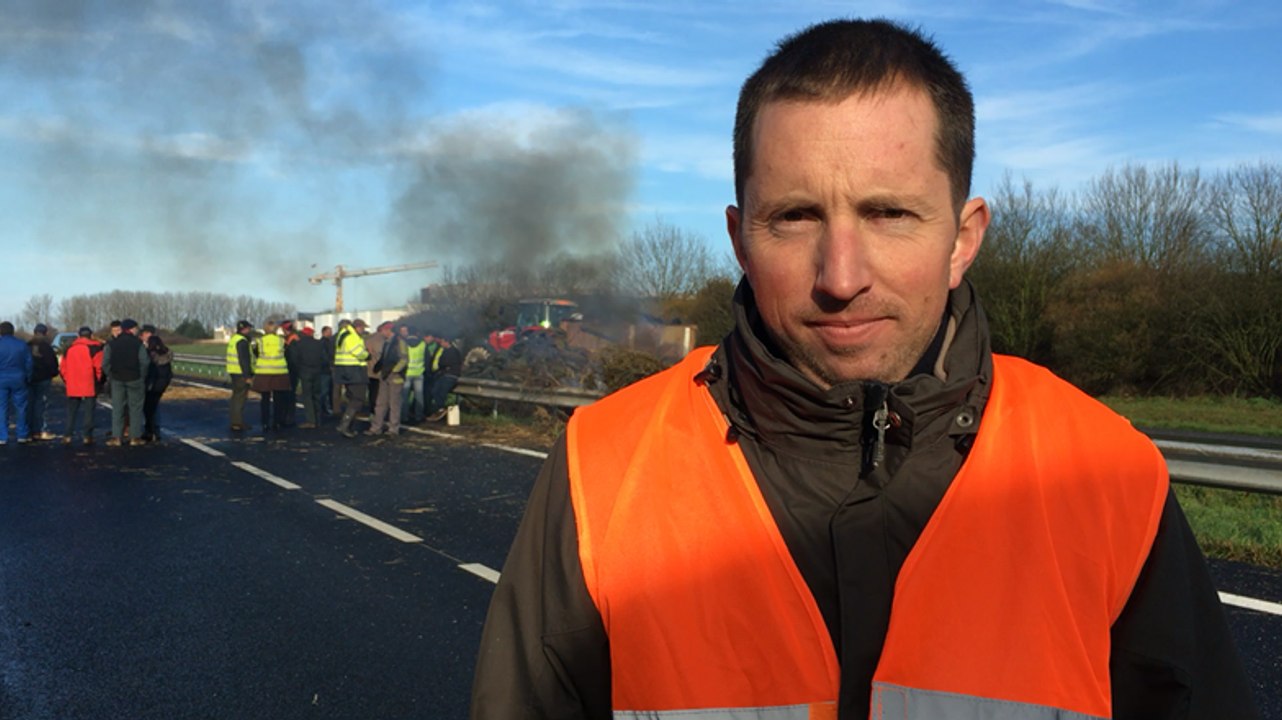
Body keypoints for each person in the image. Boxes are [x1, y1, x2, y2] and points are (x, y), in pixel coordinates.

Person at [470, 19, 1259, 720]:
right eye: (796, 216)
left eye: (889, 214)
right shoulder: (599, 468)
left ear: (962, 237)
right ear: (742, 239)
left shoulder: (1106, 475)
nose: (841, 275)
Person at [101, 318, 148, 446]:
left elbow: (105, 363)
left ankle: (117, 437)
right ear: (131, 329)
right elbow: (144, 362)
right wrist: (141, 376)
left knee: (117, 408)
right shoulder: (138, 344)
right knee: (135, 408)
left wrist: (111, 374)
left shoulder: (111, 344)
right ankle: (135, 437)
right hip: (135, 378)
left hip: (117, 379)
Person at [60, 326, 103, 445]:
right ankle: (87, 436)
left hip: (73, 383)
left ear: (78, 336)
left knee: (72, 411)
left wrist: (67, 380)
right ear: (91, 335)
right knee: (89, 411)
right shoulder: (95, 348)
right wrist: (99, 380)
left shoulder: (69, 348)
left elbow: (63, 367)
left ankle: (67, 435)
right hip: (89, 382)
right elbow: (99, 367)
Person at [367, 321, 408, 436]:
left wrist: (395, 370)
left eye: (384, 330)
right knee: (381, 403)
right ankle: (376, 428)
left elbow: (404, 359)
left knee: (394, 404)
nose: (382, 332)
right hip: (385, 375)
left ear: (389, 330)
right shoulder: (387, 342)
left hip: (395, 376)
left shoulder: (400, 342)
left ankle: (393, 429)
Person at [333, 318, 370, 438]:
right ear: (358, 327)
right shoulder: (352, 337)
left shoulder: (342, 335)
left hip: (344, 371)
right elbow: (358, 352)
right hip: (354, 371)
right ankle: (345, 425)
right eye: (363, 328)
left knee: (352, 397)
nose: (363, 330)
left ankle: (346, 425)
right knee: (358, 399)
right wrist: (368, 354)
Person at [251, 320, 291, 432]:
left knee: (265, 400)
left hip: (264, 373)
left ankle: (265, 423)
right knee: (278, 400)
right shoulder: (281, 341)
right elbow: (286, 352)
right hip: (280, 372)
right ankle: (277, 422)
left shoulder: (259, 341)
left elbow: (256, 353)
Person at [0, 321, 33, 445]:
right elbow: (29, 363)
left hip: (1, 378)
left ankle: (2, 436)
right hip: (18, 378)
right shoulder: (21, 344)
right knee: (21, 407)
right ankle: (22, 435)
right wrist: (28, 377)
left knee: (1, 408)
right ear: (12, 331)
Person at [140, 324, 173, 443]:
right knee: (155, 407)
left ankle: (150, 430)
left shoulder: (150, 356)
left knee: (148, 408)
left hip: (151, 385)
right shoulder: (166, 354)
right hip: (161, 385)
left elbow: (147, 370)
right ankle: (155, 431)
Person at [290, 326, 328, 428]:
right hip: (317, 371)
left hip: (304, 371)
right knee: (317, 395)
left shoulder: (298, 344)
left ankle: (311, 420)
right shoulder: (319, 344)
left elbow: (294, 359)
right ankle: (318, 419)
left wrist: (299, 370)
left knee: (307, 396)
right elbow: (325, 359)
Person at [26, 323, 59, 440]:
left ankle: (27, 430)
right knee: (40, 404)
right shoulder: (47, 348)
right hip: (43, 378)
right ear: (45, 333)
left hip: (28, 379)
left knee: (29, 404)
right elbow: (52, 364)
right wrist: (53, 373)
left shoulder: (27, 346)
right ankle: (39, 430)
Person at [226, 320, 255, 431]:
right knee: (240, 398)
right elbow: (244, 360)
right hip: (241, 373)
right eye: (249, 328)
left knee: (235, 397)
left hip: (234, 372)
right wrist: (247, 376)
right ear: (245, 329)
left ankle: (235, 421)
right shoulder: (242, 341)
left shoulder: (234, 339)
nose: (250, 331)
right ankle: (237, 423)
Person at [425, 334, 460, 422]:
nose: (441, 344)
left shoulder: (453, 351)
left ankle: (441, 409)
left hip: (450, 375)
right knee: (434, 390)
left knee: (440, 391)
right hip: (444, 374)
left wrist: (444, 366)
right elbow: (442, 363)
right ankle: (439, 409)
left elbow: (444, 363)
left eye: (442, 342)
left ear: (446, 342)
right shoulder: (445, 351)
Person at [400, 325, 427, 425]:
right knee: (419, 396)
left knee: (404, 396)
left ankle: (404, 416)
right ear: (416, 333)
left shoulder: (404, 343)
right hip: (419, 372)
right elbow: (427, 358)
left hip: (407, 373)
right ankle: (418, 416)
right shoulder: (422, 344)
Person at [319, 325, 335, 418]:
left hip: (327, 369)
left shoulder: (328, 342)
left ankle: (325, 407)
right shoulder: (323, 343)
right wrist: (330, 364)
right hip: (325, 370)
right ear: (324, 332)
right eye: (329, 331)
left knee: (328, 390)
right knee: (324, 390)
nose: (331, 333)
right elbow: (325, 357)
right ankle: (322, 408)